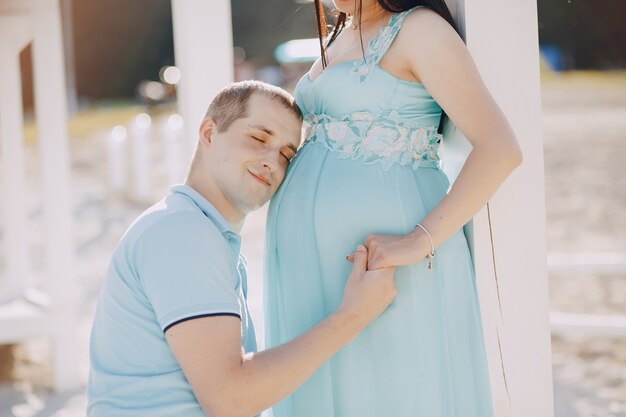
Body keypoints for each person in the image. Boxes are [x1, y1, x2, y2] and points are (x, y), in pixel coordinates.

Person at [264, 1, 524, 416]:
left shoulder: (418, 30)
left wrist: (417, 242)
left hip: (388, 267)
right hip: (318, 271)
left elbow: (500, 148)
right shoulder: (344, 30)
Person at [87, 80, 397, 417]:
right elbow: (229, 399)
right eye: (258, 138)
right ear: (208, 133)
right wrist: (354, 314)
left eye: (285, 155)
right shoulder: (182, 233)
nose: (272, 162)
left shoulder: (198, 231)